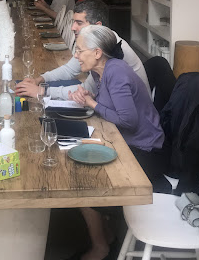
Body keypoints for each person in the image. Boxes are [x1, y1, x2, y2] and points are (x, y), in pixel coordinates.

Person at [69, 25, 167, 260]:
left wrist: (92, 104)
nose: (76, 55)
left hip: (145, 151)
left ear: (97, 53)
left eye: (80, 50)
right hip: (127, 142)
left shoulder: (116, 72)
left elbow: (128, 121)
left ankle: (101, 247)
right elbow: (113, 104)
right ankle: (108, 234)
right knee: (80, 162)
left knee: (84, 184)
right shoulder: (102, 71)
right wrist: (92, 97)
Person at [15, 0, 149, 98]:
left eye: (79, 23)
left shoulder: (111, 48)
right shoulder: (94, 41)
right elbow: (69, 70)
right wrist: (38, 80)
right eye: (74, 22)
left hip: (132, 116)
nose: (73, 27)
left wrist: (42, 91)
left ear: (98, 26)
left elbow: (88, 89)